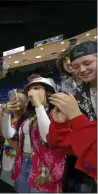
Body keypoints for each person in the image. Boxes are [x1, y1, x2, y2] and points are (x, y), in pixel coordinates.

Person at [48, 40, 97, 192]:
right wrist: (59, 124)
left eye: (87, 63)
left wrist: (76, 117)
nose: (82, 70)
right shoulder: (76, 95)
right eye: (75, 67)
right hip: (87, 171)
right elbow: (62, 145)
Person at [1, 77, 65, 193]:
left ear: (48, 91)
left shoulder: (58, 112)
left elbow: (48, 138)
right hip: (24, 163)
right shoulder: (29, 116)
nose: (31, 92)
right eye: (30, 89)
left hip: (45, 168)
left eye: (36, 88)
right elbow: (8, 134)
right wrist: (6, 113)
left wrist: (38, 105)